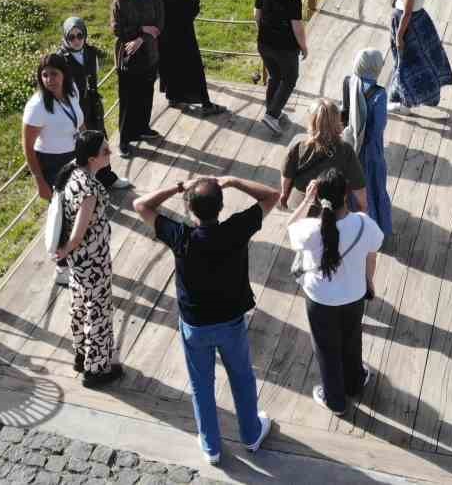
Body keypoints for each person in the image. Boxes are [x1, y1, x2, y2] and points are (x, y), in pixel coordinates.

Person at [137, 176, 279, 465]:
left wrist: (177, 189)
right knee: (242, 377)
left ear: (190, 209)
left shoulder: (181, 236)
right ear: (221, 206)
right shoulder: (237, 229)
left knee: (201, 384)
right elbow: (272, 196)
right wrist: (235, 181)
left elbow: (140, 205)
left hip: (195, 325)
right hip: (231, 322)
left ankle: (211, 446)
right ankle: (251, 434)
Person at [286, 169, 384, 414]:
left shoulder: (309, 230)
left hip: (319, 299)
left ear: (319, 197)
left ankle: (336, 401)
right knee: (352, 339)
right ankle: (355, 381)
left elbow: (289, 226)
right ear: (347, 194)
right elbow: (373, 253)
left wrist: (307, 199)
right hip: (354, 295)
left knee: (327, 350)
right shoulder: (364, 224)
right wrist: (369, 281)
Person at [53, 130, 123, 387]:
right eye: (105, 151)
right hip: (92, 259)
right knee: (99, 311)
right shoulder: (90, 189)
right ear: (93, 157)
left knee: (80, 303)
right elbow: (79, 231)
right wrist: (66, 249)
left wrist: (67, 252)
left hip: (79, 261)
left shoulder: (72, 172)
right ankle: (97, 369)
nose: (110, 153)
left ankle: (82, 355)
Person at [22, 53, 85, 287]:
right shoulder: (37, 106)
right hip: (51, 164)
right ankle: (61, 266)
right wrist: (40, 180)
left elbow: (79, 122)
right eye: (45, 75)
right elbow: (27, 146)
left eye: (54, 74)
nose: (49, 79)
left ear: (64, 74)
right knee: (61, 215)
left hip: (73, 158)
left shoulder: (71, 92)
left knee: (77, 210)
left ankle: (73, 252)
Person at [57, 17, 133, 191]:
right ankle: (88, 185)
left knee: (99, 141)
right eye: (71, 37)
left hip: (93, 105)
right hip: (74, 109)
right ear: (65, 37)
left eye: (80, 35)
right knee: (82, 147)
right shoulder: (60, 59)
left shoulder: (90, 52)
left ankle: (108, 178)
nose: (76, 40)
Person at [155, 0, 225, 116]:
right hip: (185, 35)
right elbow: (193, 8)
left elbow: (156, 5)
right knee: (194, 69)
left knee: (172, 66)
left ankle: (174, 97)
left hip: (166, 36)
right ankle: (206, 104)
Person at [388, 0, 452, 111]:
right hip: (420, 20)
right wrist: (420, 0)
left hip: (407, 24)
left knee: (404, 63)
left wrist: (399, 36)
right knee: (421, 61)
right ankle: (404, 99)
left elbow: (407, 12)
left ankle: (405, 103)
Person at [111, 0, 165, 155]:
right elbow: (116, 29)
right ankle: (124, 139)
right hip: (128, 56)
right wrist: (141, 30)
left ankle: (142, 128)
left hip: (149, 54)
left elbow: (159, 24)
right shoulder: (121, 0)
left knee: (145, 94)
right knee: (127, 99)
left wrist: (141, 39)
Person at [278, 99, 368, 216]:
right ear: (337, 121)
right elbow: (358, 185)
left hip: (300, 204)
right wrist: (363, 207)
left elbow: (287, 175)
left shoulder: (299, 142)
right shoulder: (346, 150)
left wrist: (284, 195)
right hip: (333, 207)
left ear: (311, 120)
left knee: (300, 231)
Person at [253, 0, 309, 136]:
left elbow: (257, 16)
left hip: (264, 43)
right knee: (290, 78)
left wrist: (264, 32)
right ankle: (272, 114)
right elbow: (297, 28)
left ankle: (272, 108)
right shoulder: (293, 2)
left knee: (275, 76)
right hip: (285, 49)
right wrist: (304, 46)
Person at [343, 48, 392, 237]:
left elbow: (345, 113)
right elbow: (377, 128)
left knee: (354, 188)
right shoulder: (379, 95)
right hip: (371, 152)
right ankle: (379, 229)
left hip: (351, 147)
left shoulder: (349, 82)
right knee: (376, 187)